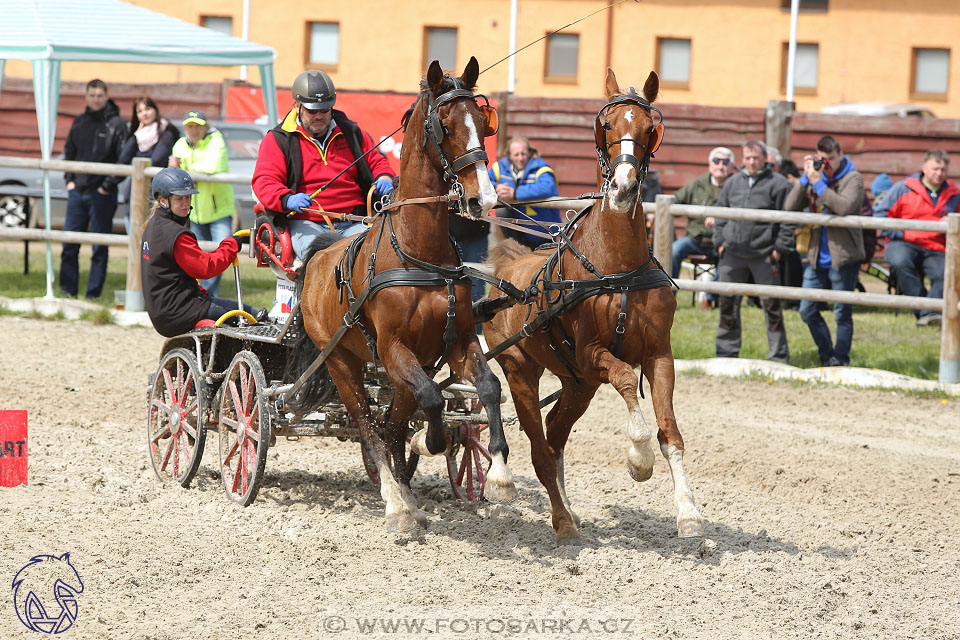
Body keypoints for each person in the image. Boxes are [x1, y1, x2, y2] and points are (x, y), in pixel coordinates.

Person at [252, 70, 396, 259]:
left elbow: (377, 161)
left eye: (325, 110)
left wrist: (384, 177)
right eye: (312, 110)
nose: (319, 116)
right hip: (306, 221)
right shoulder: (278, 139)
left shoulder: (351, 132)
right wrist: (287, 199)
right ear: (297, 106)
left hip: (354, 219)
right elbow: (265, 181)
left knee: (376, 255)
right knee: (324, 258)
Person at [141, 167, 263, 338]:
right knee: (254, 317)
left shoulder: (153, 225)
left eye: (188, 197)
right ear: (163, 201)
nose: (186, 203)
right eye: (179, 199)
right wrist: (231, 245)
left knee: (243, 312)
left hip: (165, 311)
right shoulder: (176, 235)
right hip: (182, 311)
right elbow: (206, 268)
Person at [784, 136, 866, 366]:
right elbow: (789, 207)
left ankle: (840, 359)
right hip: (815, 255)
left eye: (831, 159)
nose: (828, 164)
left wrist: (818, 184)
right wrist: (804, 179)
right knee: (807, 310)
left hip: (844, 255)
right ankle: (827, 354)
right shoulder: (814, 177)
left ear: (840, 155)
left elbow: (843, 207)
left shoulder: (853, 179)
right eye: (823, 159)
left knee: (842, 312)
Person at [713, 140, 794, 363]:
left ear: (765, 158)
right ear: (742, 159)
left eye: (755, 158)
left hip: (764, 253)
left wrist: (778, 250)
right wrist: (720, 242)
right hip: (732, 251)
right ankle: (726, 353)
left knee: (771, 305)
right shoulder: (733, 182)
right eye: (747, 158)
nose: (751, 162)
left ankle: (778, 355)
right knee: (727, 303)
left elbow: (788, 221)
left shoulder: (778, 184)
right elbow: (720, 212)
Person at [874, 150, 960, 327]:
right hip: (903, 241)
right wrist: (900, 233)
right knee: (900, 262)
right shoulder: (903, 188)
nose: (939, 173)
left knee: (947, 272)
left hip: (936, 245)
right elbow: (881, 216)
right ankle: (925, 311)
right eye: (935, 168)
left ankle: (929, 314)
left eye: (943, 169)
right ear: (924, 168)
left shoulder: (954, 194)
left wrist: (950, 223)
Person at [59, 79, 127, 300]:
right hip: (77, 192)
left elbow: (123, 160)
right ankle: (68, 292)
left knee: (99, 247)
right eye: (92, 95)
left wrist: (106, 188)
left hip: (102, 195)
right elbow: (69, 151)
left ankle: (93, 295)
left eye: (100, 95)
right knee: (69, 243)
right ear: (86, 97)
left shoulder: (116, 124)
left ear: (106, 96)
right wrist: (69, 181)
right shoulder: (79, 121)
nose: (96, 99)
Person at [170, 111, 235, 297]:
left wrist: (186, 171)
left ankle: (206, 295)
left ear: (206, 127)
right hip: (195, 212)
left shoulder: (216, 140)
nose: (194, 130)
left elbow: (214, 167)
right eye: (190, 126)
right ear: (184, 128)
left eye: (198, 125)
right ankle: (205, 297)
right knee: (199, 257)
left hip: (219, 211)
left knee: (222, 253)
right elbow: (174, 171)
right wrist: (182, 171)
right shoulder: (180, 144)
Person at [670, 147, 735, 308]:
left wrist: (720, 218)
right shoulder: (697, 185)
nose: (721, 166)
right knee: (674, 250)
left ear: (731, 166)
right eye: (716, 161)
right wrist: (658, 210)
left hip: (721, 241)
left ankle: (710, 298)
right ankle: (669, 294)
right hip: (695, 239)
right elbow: (675, 200)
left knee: (730, 254)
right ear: (709, 165)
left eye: (725, 162)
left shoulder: (736, 186)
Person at [106, 96, 179, 233]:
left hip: (156, 196)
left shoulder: (166, 131)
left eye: (147, 109)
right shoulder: (138, 136)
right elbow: (123, 158)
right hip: (135, 193)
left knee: (151, 246)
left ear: (155, 110)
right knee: (134, 241)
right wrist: (136, 135)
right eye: (139, 111)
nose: (144, 114)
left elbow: (156, 159)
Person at [490, 136, 561, 249]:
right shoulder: (500, 168)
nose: (521, 158)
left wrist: (515, 193)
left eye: (523, 154)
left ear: (529, 152)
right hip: (518, 231)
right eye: (516, 155)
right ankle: (515, 248)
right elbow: (484, 182)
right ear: (509, 155)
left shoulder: (541, 168)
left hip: (542, 231)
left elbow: (547, 187)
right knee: (502, 212)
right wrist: (496, 187)